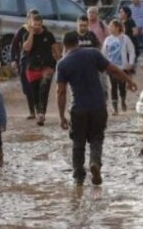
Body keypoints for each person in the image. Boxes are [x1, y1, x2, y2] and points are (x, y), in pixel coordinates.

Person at [56, 32, 137, 186]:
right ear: (78, 42)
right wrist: (128, 81)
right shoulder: (93, 54)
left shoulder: (63, 63)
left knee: (78, 143)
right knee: (96, 138)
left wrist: (61, 116)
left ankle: (79, 177)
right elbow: (112, 69)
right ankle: (95, 163)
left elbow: (60, 92)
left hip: (78, 108)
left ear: (64, 46)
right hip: (98, 106)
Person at [23, 15, 58, 126]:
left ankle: (41, 114)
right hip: (32, 68)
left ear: (42, 24)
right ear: (31, 24)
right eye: (35, 24)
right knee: (35, 93)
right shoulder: (26, 35)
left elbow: (56, 50)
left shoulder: (49, 35)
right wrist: (31, 34)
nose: (37, 27)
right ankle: (39, 112)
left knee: (44, 89)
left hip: (47, 67)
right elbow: (27, 48)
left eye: (39, 24)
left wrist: (59, 61)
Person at [11, 9, 40, 119]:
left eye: (36, 18)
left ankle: (38, 111)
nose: (34, 21)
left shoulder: (42, 30)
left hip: (38, 63)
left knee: (37, 87)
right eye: (32, 19)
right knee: (27, 89)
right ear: (28, 20)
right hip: (24, 62)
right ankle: (32, 111)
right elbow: (14, 46)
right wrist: (13, 60)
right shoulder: (22, 30)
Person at [102, 20, 136, 115]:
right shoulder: (108, 40)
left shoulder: (125, 38)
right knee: (113, 87)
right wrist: (103, 65)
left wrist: (131, 63)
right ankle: (115, 108)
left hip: (122, 68)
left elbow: (131, 50)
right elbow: (104, 53)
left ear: (117, 27)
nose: (110, 28)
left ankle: (123, 101)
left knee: (122, 86)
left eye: (111, 26)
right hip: (111, 68)